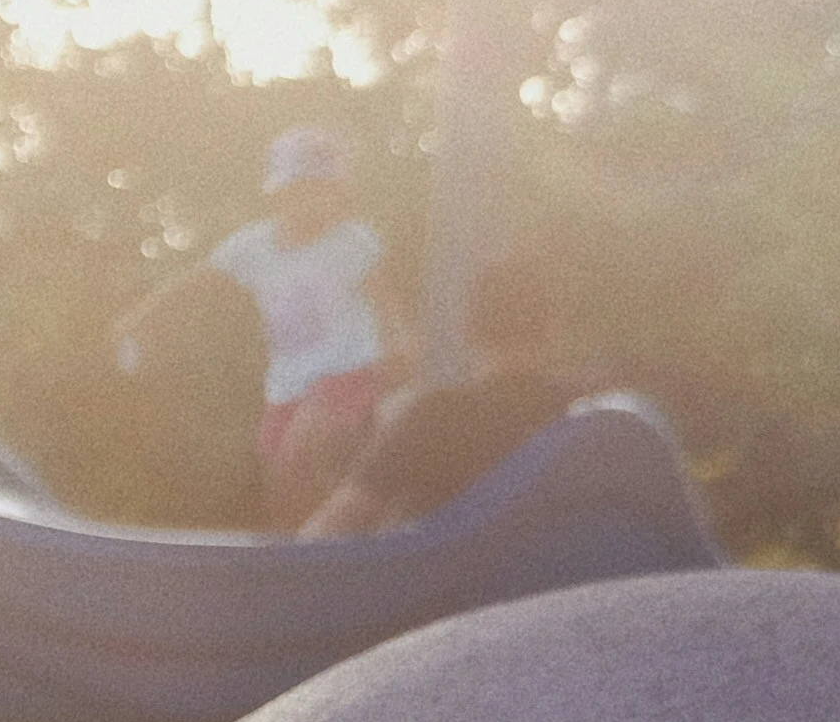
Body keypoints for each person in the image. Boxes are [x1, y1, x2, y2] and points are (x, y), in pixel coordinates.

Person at [115, 124, 401, 531]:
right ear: (279, 195)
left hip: (349, 374)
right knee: (278, 476)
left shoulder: (352, 242)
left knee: (300, 450)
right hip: (287, 385)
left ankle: (323, 542)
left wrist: (399, 351)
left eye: (324, 192)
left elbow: (385, 301)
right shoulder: (254, 246)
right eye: (301, 192)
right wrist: (139, 321)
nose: (313, 204)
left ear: (338, 195)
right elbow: (195, 283)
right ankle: (300, 554)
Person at [300, 261, 591, 536]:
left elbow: (334, 525)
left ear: (467, 331)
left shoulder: (434, 417)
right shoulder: (589, 414)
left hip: (460, 586)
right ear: (554, 331)